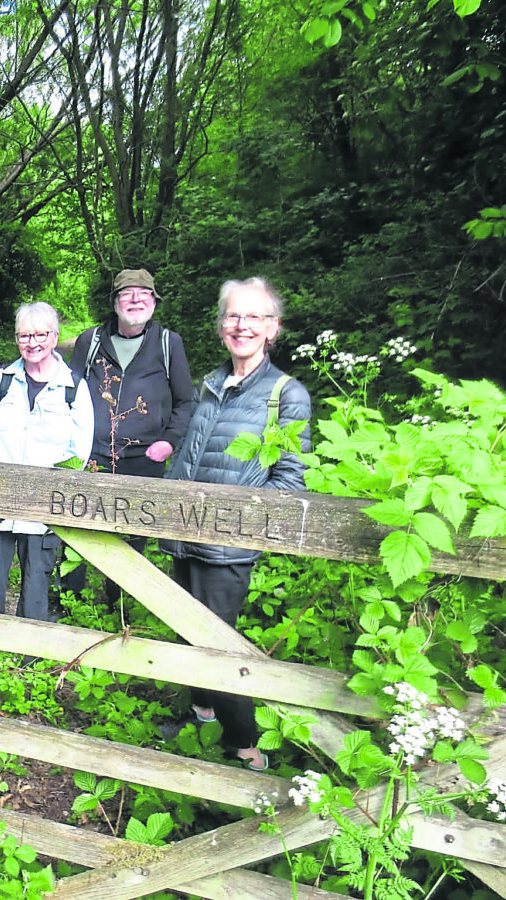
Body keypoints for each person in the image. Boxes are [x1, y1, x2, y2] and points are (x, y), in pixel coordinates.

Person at [161, 277, 311, 771]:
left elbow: (290, 481)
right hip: (185, 531)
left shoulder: (286, 395)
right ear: (221, 325)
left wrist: (235, 521)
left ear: (273, 329)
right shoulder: (209, 382)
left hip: (229, 544)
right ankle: (202, 714)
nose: (241, 325)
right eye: (232, 316)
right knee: (187, 631)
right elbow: (188, 454)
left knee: (218, 643)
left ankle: (246, 746)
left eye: (253, 317)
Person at [64, 268, 194, 599]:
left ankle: (117, 604)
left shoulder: (168, 344)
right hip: (90, 455)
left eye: (144, 294)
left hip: (143, 459)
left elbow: (185, 402)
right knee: (75, 525)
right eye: (127, 294)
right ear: (115, 302)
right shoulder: (89, 341)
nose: (136, 300)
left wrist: (169, 442)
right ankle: (67, 600)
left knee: (132, 534)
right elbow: (67, 394)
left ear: (154, 301)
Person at [0, 303, 93, 639]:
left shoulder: (73, 388)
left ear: (54, 337)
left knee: (37, 580)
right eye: (25, 335)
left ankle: (31, 651)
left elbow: (78, 452)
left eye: (40, 334)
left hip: (45, 506)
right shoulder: (0, 383)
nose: (32, 342)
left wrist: (58, 497)